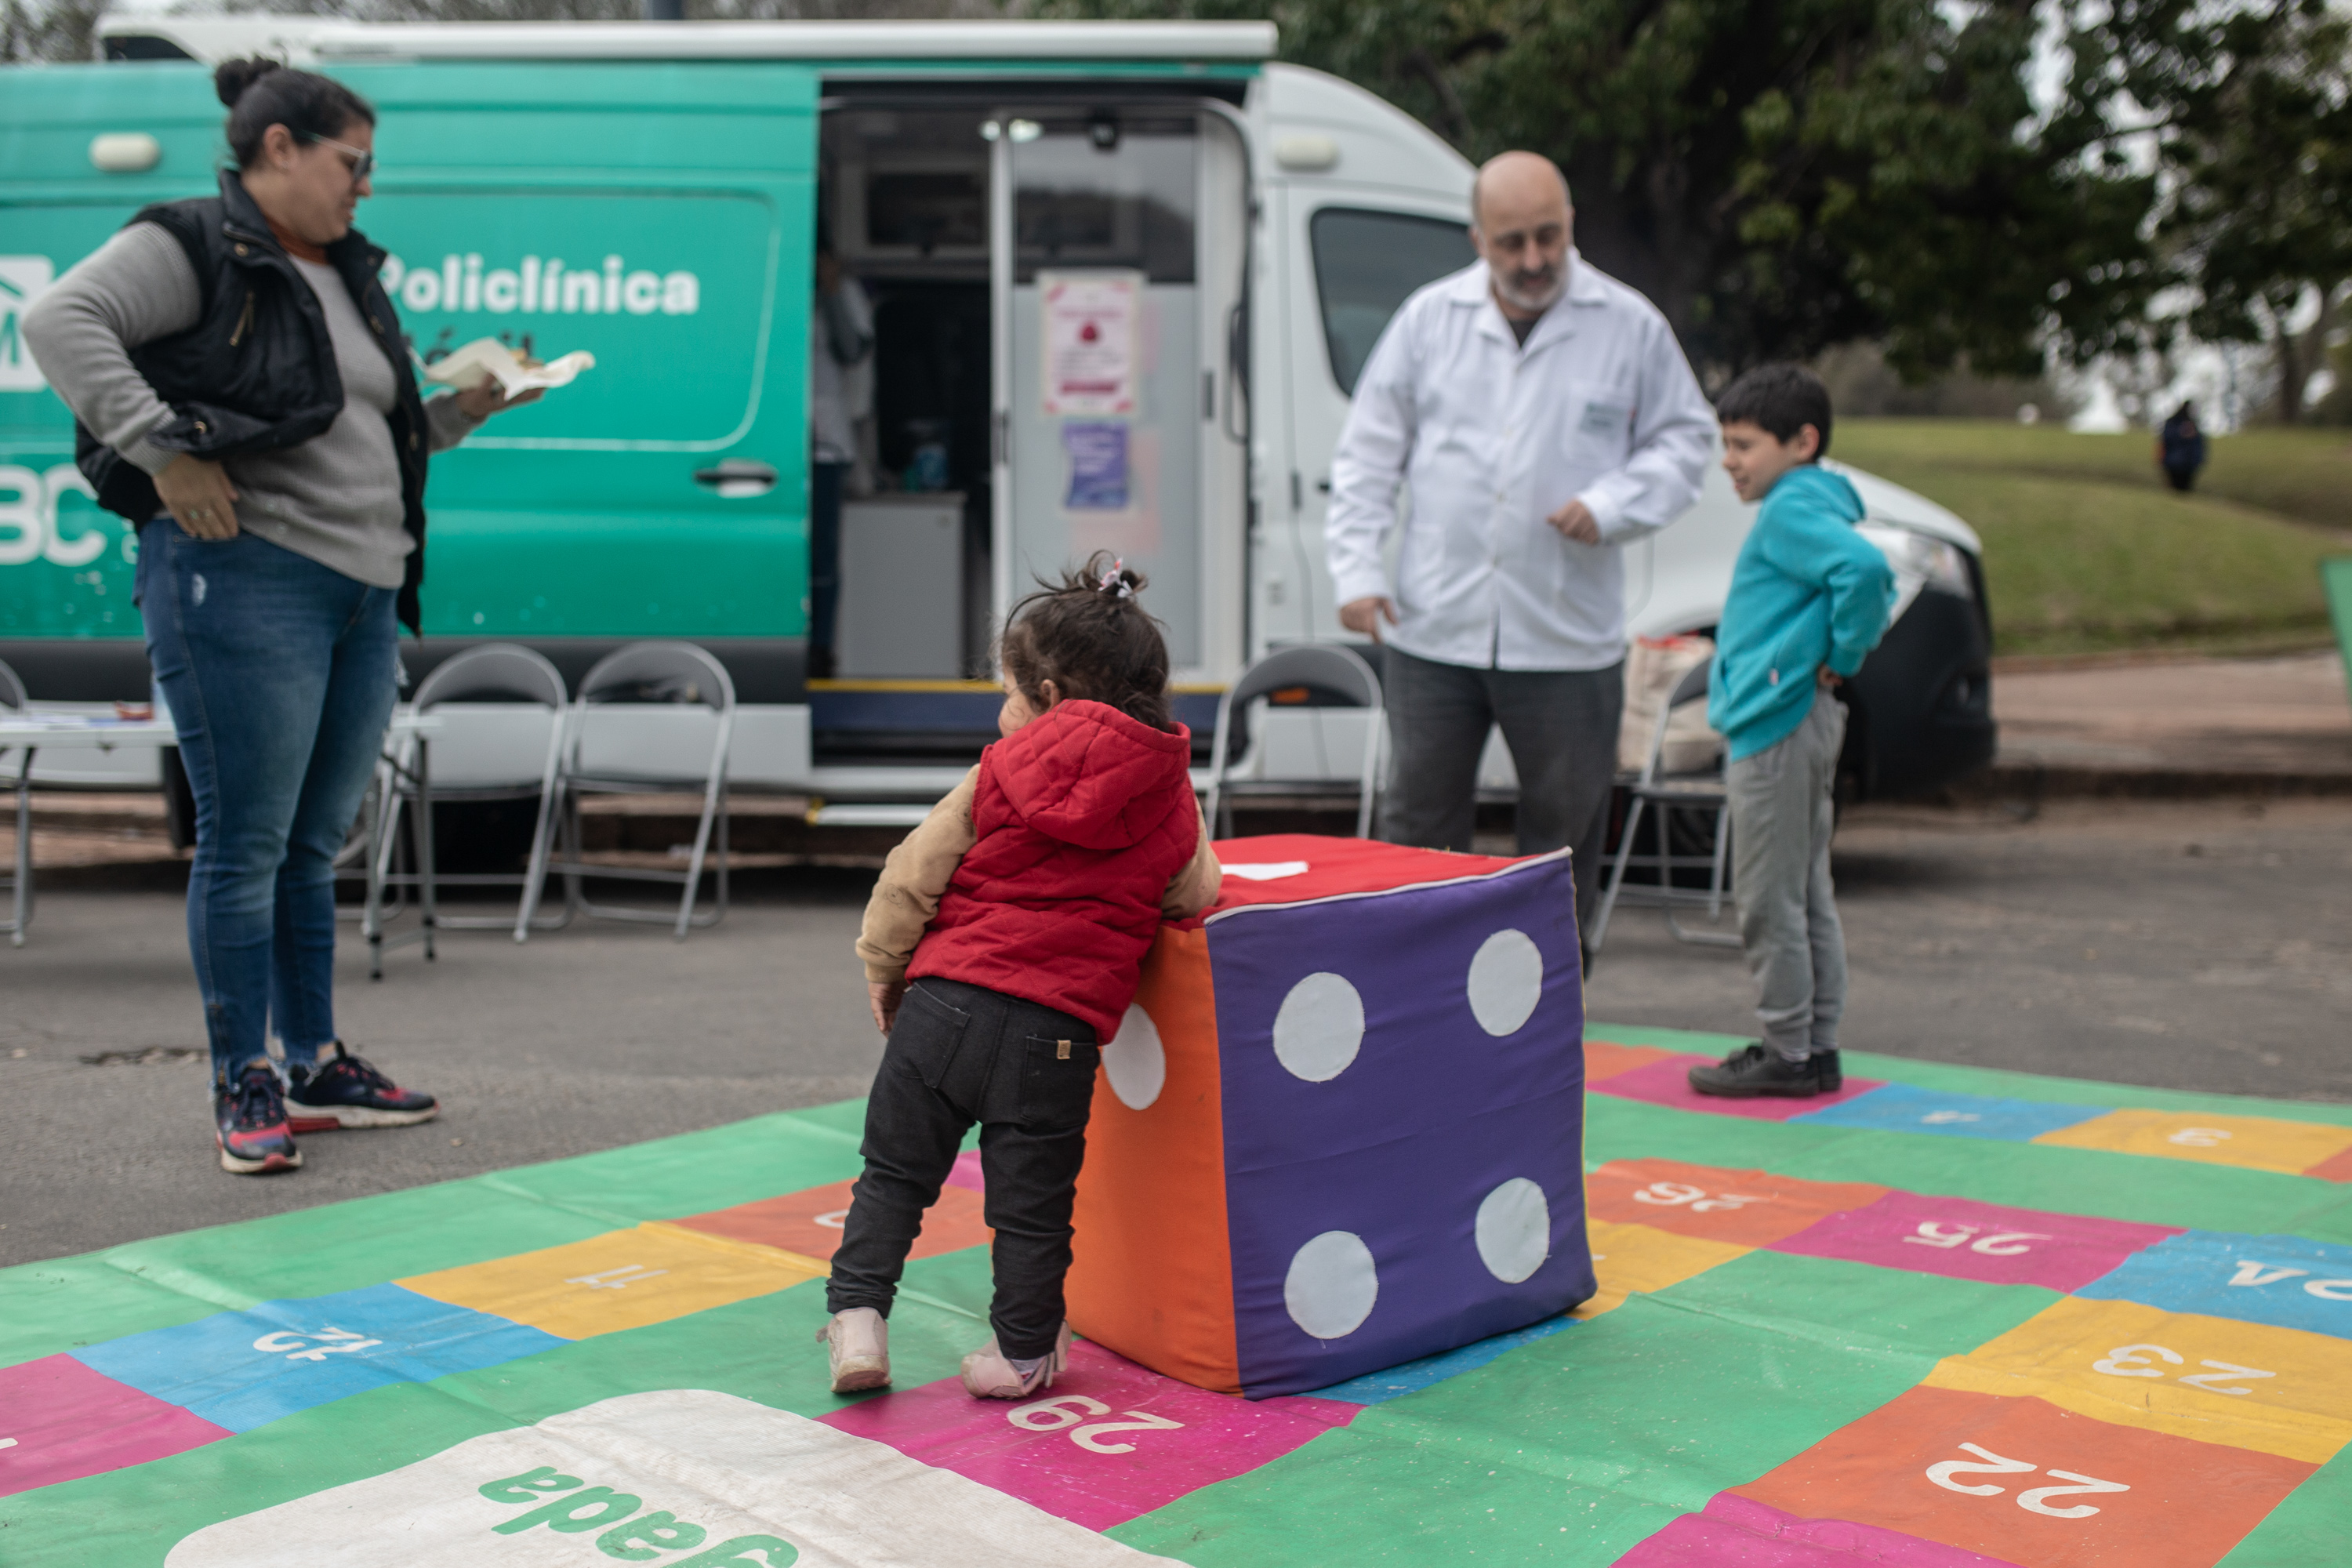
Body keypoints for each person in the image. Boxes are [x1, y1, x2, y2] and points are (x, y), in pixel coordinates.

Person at [23, 60, 539, 1173]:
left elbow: (356, 428)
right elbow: (59, 320)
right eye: (353, 163)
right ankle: (240, 1077)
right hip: (243, 573)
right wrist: (162, 454)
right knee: (246, 842)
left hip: (362, 588)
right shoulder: (195, 241)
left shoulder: (345, 274)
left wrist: (459, 408)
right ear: (278, 151)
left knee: (311, 844)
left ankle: (314, 1061)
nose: (365, 187)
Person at [818, 554, 1220, 1399]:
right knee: (1031, 1208)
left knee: (894, 1173)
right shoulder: (1169, 795)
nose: (1002, 713)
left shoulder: (998, 771)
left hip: (943, 1006)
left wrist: (884, 969)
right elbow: (1196, 890)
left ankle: (859, 1319)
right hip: (1057, 1036)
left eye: (1007, 693)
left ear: (1044, 697)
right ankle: (1023, 1354)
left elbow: (909, 878)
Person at [1326, 151, 1715, 941]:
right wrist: (1359, 570)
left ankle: (1547, 1028)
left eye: (1548, 237)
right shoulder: (1429, 320)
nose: (1533, 260)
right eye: (1512, 243)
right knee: (1417, 832)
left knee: (1564, 843)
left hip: (1567, 639)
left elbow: (1686, 441)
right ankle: (1411, 1007)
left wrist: (1611, 503)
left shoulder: (1628, 323)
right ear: (1478, 238)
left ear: (1570, 225)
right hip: (1433, 627)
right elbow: (1367, 453)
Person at [1687, 365, 1895, 1099]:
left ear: (1802, 442)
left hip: (1775, 725)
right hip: (1797, 721)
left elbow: (1867, 574)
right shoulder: (1809, 503)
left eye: (1744, 445)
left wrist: (1842, 656)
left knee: (1769, 897)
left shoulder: (1788, 510)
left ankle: (1787, 1049)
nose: (1730, 461)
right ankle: (1815, 1045)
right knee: (1805, 890)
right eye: (1725, 443)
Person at [805, 243, 874, 681]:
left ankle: (821, 651)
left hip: (826, 445)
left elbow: (852, 351)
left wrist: (830, 292)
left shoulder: (843, 292)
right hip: (773, 444)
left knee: (822, 558)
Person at [2158, 401, 2205, 493]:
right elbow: (2166, 440)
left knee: (2185, 490)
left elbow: (2199, 446)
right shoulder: (2173, 423)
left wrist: (2198, 461)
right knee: (2174, 490)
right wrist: (2181, 434)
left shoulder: (2195, 426)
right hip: (2174, 464)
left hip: (2189, 465)